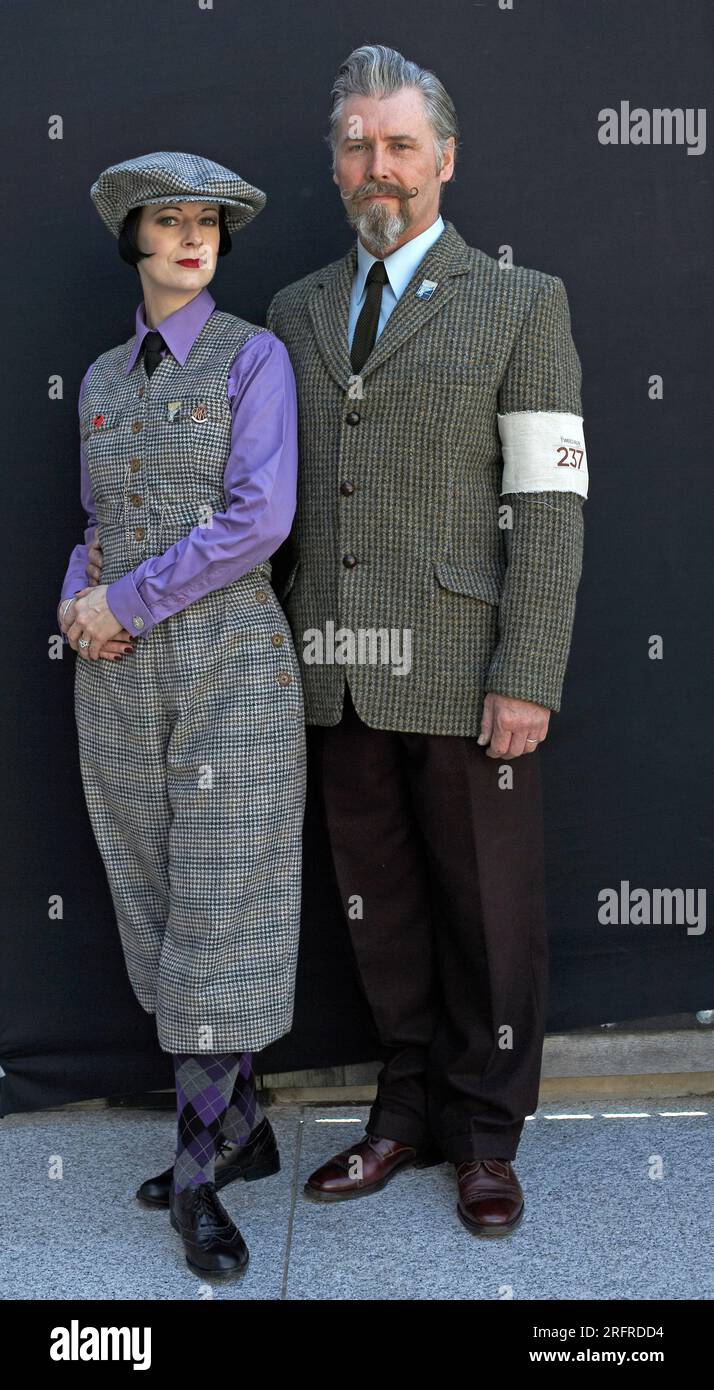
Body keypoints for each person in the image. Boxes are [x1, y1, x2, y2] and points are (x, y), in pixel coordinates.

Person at [264, 45, 589, 1237]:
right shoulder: (293, 310)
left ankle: (486, 1135)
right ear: (336, 164)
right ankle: (402, 1112)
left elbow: (550, 501)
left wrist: (528, 671)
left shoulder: (523, 302)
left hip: (466, 671)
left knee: (489, 915)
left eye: (401, 143)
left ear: (444, 159)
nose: (379, 165)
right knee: (379, 911)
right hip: (334, 672)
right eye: (358, 144)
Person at [57, 151, 306, 1279]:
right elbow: (97, 520)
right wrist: (79, 602)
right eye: (169, 221)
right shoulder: (101, 379)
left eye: (207, 221)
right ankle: (241, 1131)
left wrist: (125, 601)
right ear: (135, 239)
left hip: (229, 667)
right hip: (117, 672)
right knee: (153, 894)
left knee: (221, 905)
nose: (193, 237)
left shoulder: (254, 357)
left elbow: (259, 520)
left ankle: (197, 1175)